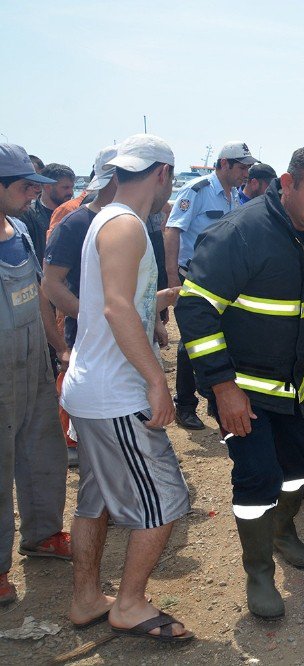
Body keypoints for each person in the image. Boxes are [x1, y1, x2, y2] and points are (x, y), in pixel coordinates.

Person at [175, 146, 304, 620]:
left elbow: (302, 308)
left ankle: (282, 531)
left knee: (296, 471)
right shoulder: (240, 234)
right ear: (287, 182)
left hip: (297, 388)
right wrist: (222, 387)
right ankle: (258, 571)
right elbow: (195, 309)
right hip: (245, 391)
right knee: (257, 478)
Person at [60, 134, 194, 641]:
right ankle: (130, 604)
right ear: (163, 174)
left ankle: (87, 598)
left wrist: (167, 296)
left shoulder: (107, 219)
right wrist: (157, 382)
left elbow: (118, 300)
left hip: (92, 387)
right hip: (115, 393)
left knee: (94, 501)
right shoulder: (128, 225)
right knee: (164, 499)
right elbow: (117, 308)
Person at [0, 144, 71, 607]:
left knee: (42, 447)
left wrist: (59, 347)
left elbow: (40, 294)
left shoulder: (20, 229)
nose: (32, 193)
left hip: (32, 360)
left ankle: (43, 533)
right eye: (24, 186)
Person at [165, 141, 258, 430]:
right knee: (190, 343)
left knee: (222, 336)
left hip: (225, 280)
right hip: (193, 276)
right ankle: (185, 405)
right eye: (242, 167)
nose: (246, 173)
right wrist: (171, 278)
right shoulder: (197, 191)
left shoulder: (236, 198)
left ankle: (211, 397)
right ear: (224, 164)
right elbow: (172, 230)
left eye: (248, 168)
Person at [42, 145, 119, 466]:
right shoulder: (73, 219)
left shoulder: (129, 219)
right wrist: (86, 318)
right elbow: (51, 282)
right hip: (83, 327)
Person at [20, 163, 75, 265]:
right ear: (47, 187)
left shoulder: (74, 215)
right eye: (65, 187)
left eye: (72, 187)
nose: (71, 192)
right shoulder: (28, 215)